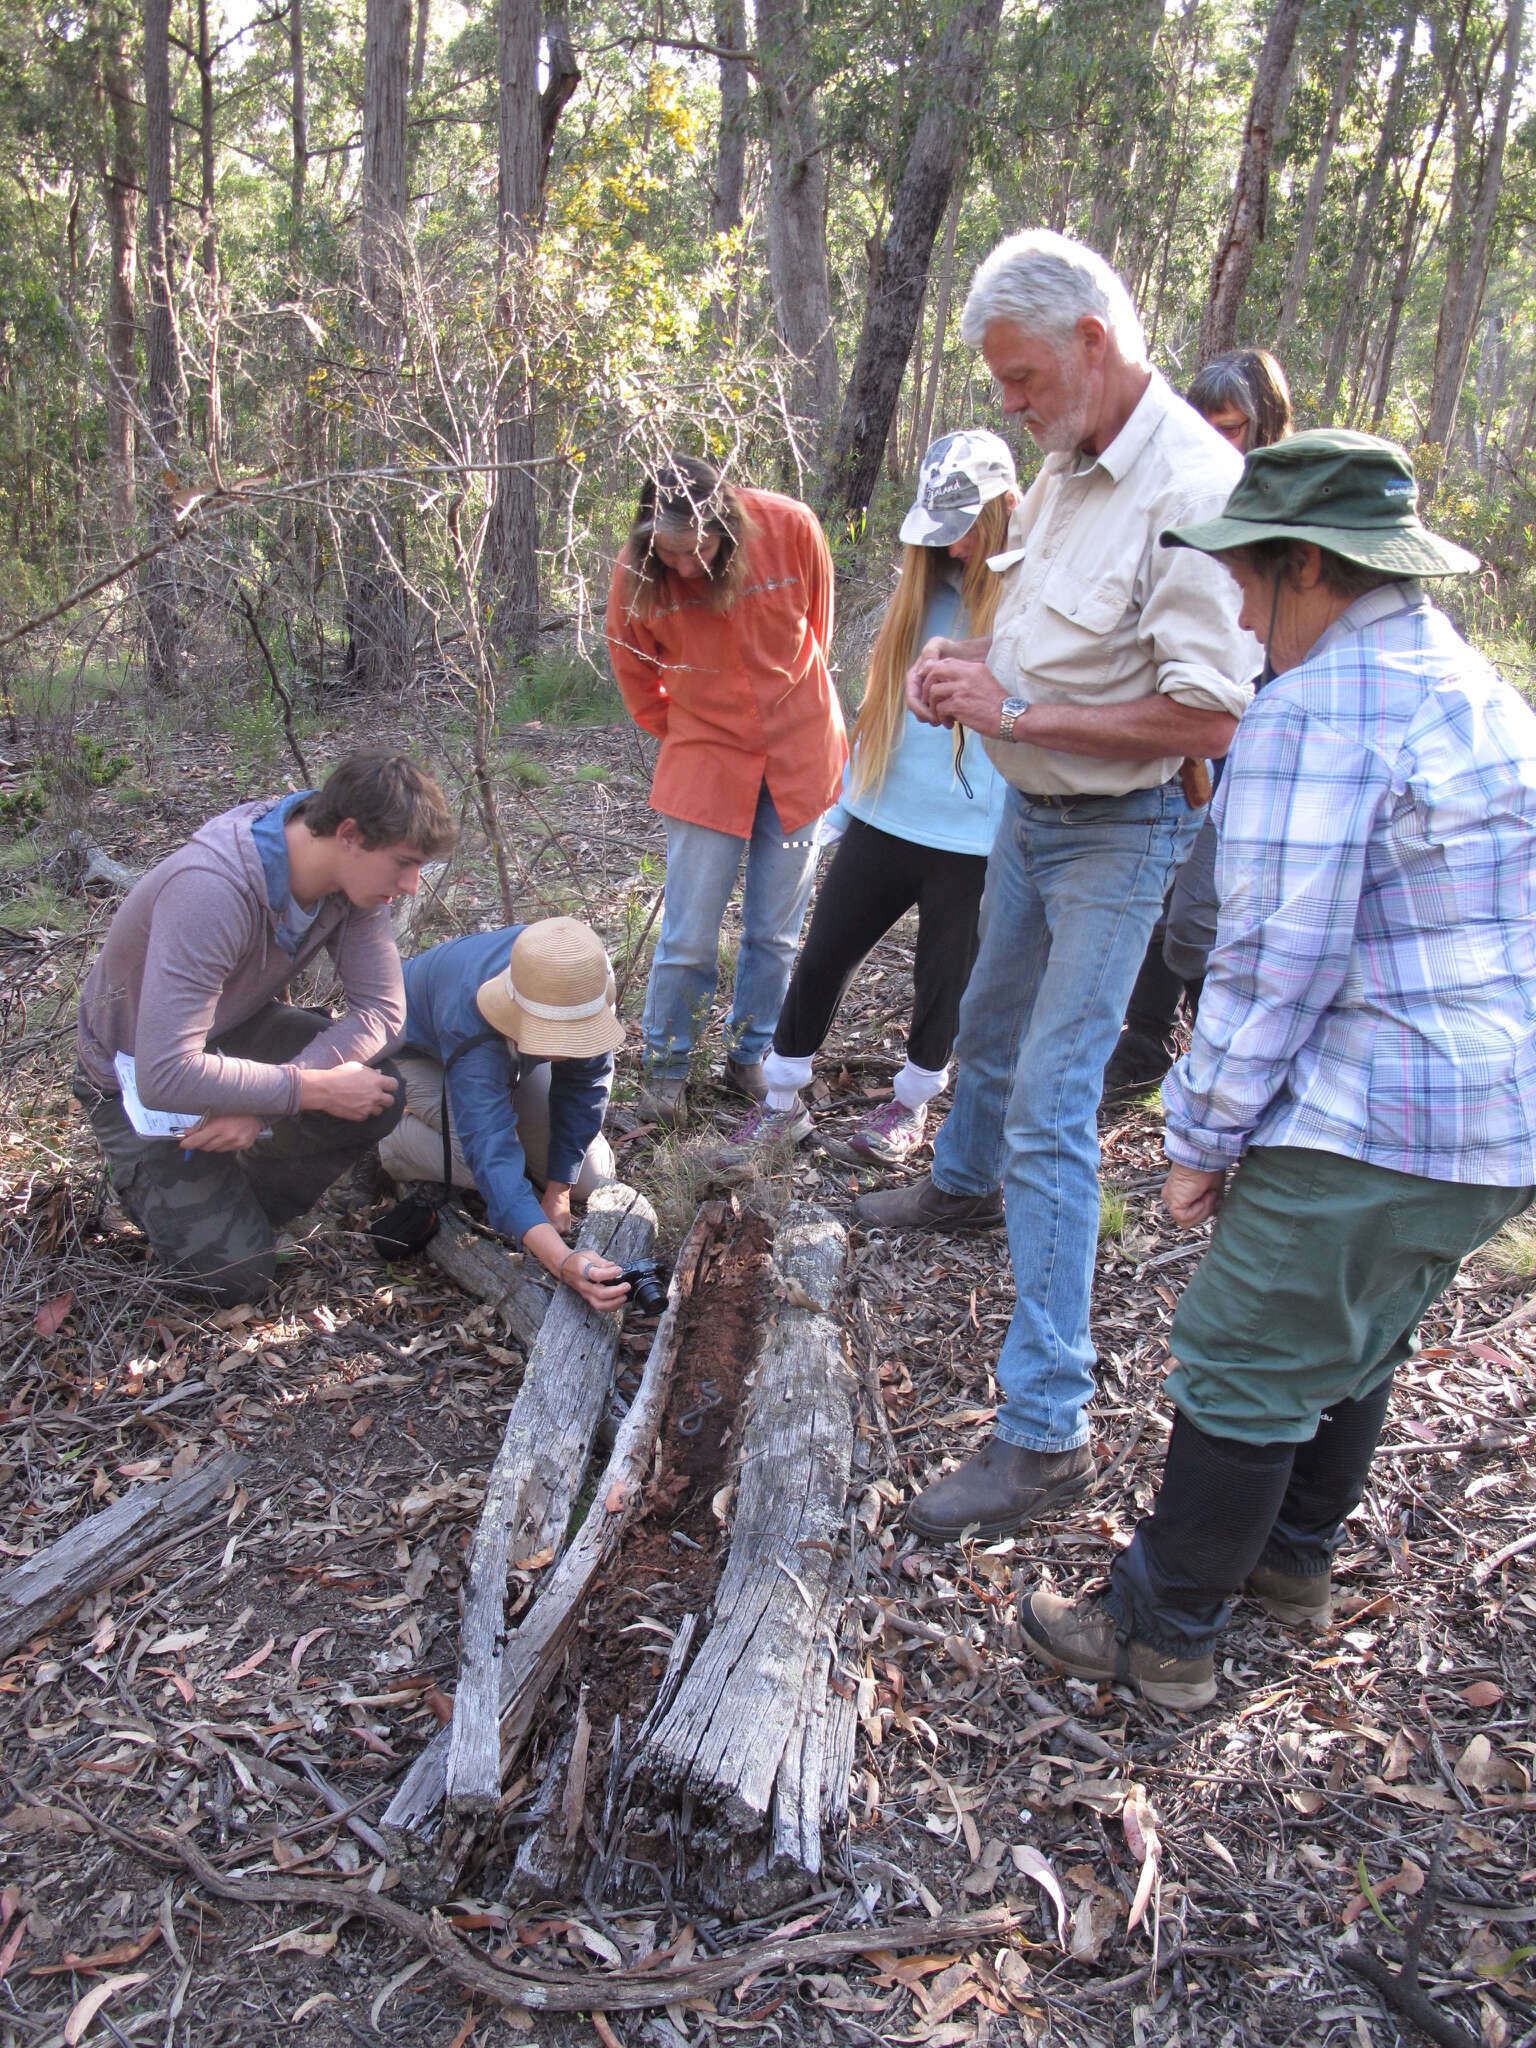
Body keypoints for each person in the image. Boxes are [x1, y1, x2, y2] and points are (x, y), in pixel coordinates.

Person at [1020, 431, 1536, 1708]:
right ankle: (1290, 1564)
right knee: (1352, 1341)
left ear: (1310, 564)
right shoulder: (1475, 683)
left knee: (1249, 1347)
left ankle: (1162, 1630)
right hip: (1495, 1123)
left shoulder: (1320, 708)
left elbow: (1271, 954)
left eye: (1251, 579)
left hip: (1378, 1113)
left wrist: (1199, 1133)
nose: (1241, 613)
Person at [854, 229, 1258, 1542]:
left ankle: (1045, 1434)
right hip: (1029, 811)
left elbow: (1206, 720)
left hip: (1121, 833)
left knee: (1052, 1098)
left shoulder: (1196, 487)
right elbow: (1045, 631)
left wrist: (1016, 699)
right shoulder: (1074, 452)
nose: (1014, 408)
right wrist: (971, 681)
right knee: (981, 1018)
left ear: (1093, 342)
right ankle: (960, 1188)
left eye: (1024, 380)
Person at [722, 431, 1016, 1166]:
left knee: (943, 980)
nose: (953, 550)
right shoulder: (917, 598)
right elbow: (881, 713)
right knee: (822, 957)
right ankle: (782, 1103)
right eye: (941, 535)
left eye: (967, 532)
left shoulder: (1032, 604)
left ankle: (910, 1106)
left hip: (974, 840)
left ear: (1006, 511)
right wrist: (845, 806)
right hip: (885, 818)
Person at [74, 751, 456, 1306]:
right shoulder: (214, 889)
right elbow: (163, 1074)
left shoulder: (350, 882)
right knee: (237, 1280)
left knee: (379, 1092)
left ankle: (238, 1191)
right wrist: (306, 1090)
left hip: (230, 1034)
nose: (412, 884)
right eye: (403, 862)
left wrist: (261, 1106)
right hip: (130, 1076)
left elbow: (384, 1012)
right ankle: (170, 1186)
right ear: (349, 833)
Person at [606, 454, 845, 1128]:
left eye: (698, 549)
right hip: (706, 760)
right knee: (688, 933)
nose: (684, 566)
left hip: (799, 752)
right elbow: (635, 675)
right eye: (669, 553)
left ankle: (751, 1054)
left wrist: (782, 715)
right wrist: (696, 729)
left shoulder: (791, 526)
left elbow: (816, 632)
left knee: (775, 932)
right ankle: (667, 1068)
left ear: (727, 525)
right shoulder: (637, 572)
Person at [1104, 346, 1293, 1097]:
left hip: (1263, 738)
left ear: (1264, 426)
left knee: (1209, 916)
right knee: (1170, 901)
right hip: (1195, 738)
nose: (1222, 443)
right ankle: (1150, 1040)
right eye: (1207, 426)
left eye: (1236, 428)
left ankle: (1217, 1064)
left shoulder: (1286, 508)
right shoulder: (1185, 496)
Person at [378, 917, 626, 1311]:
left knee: (589, 1178)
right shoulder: (470, 1021)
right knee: (471, 1163)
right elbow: (490, 1149)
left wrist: (558, 1191)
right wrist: (561, 1261)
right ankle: (390, 1137)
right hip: (412, 1054)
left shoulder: (581, 975)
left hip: (511, 1055)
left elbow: (586, 1085)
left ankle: (532, 1168)